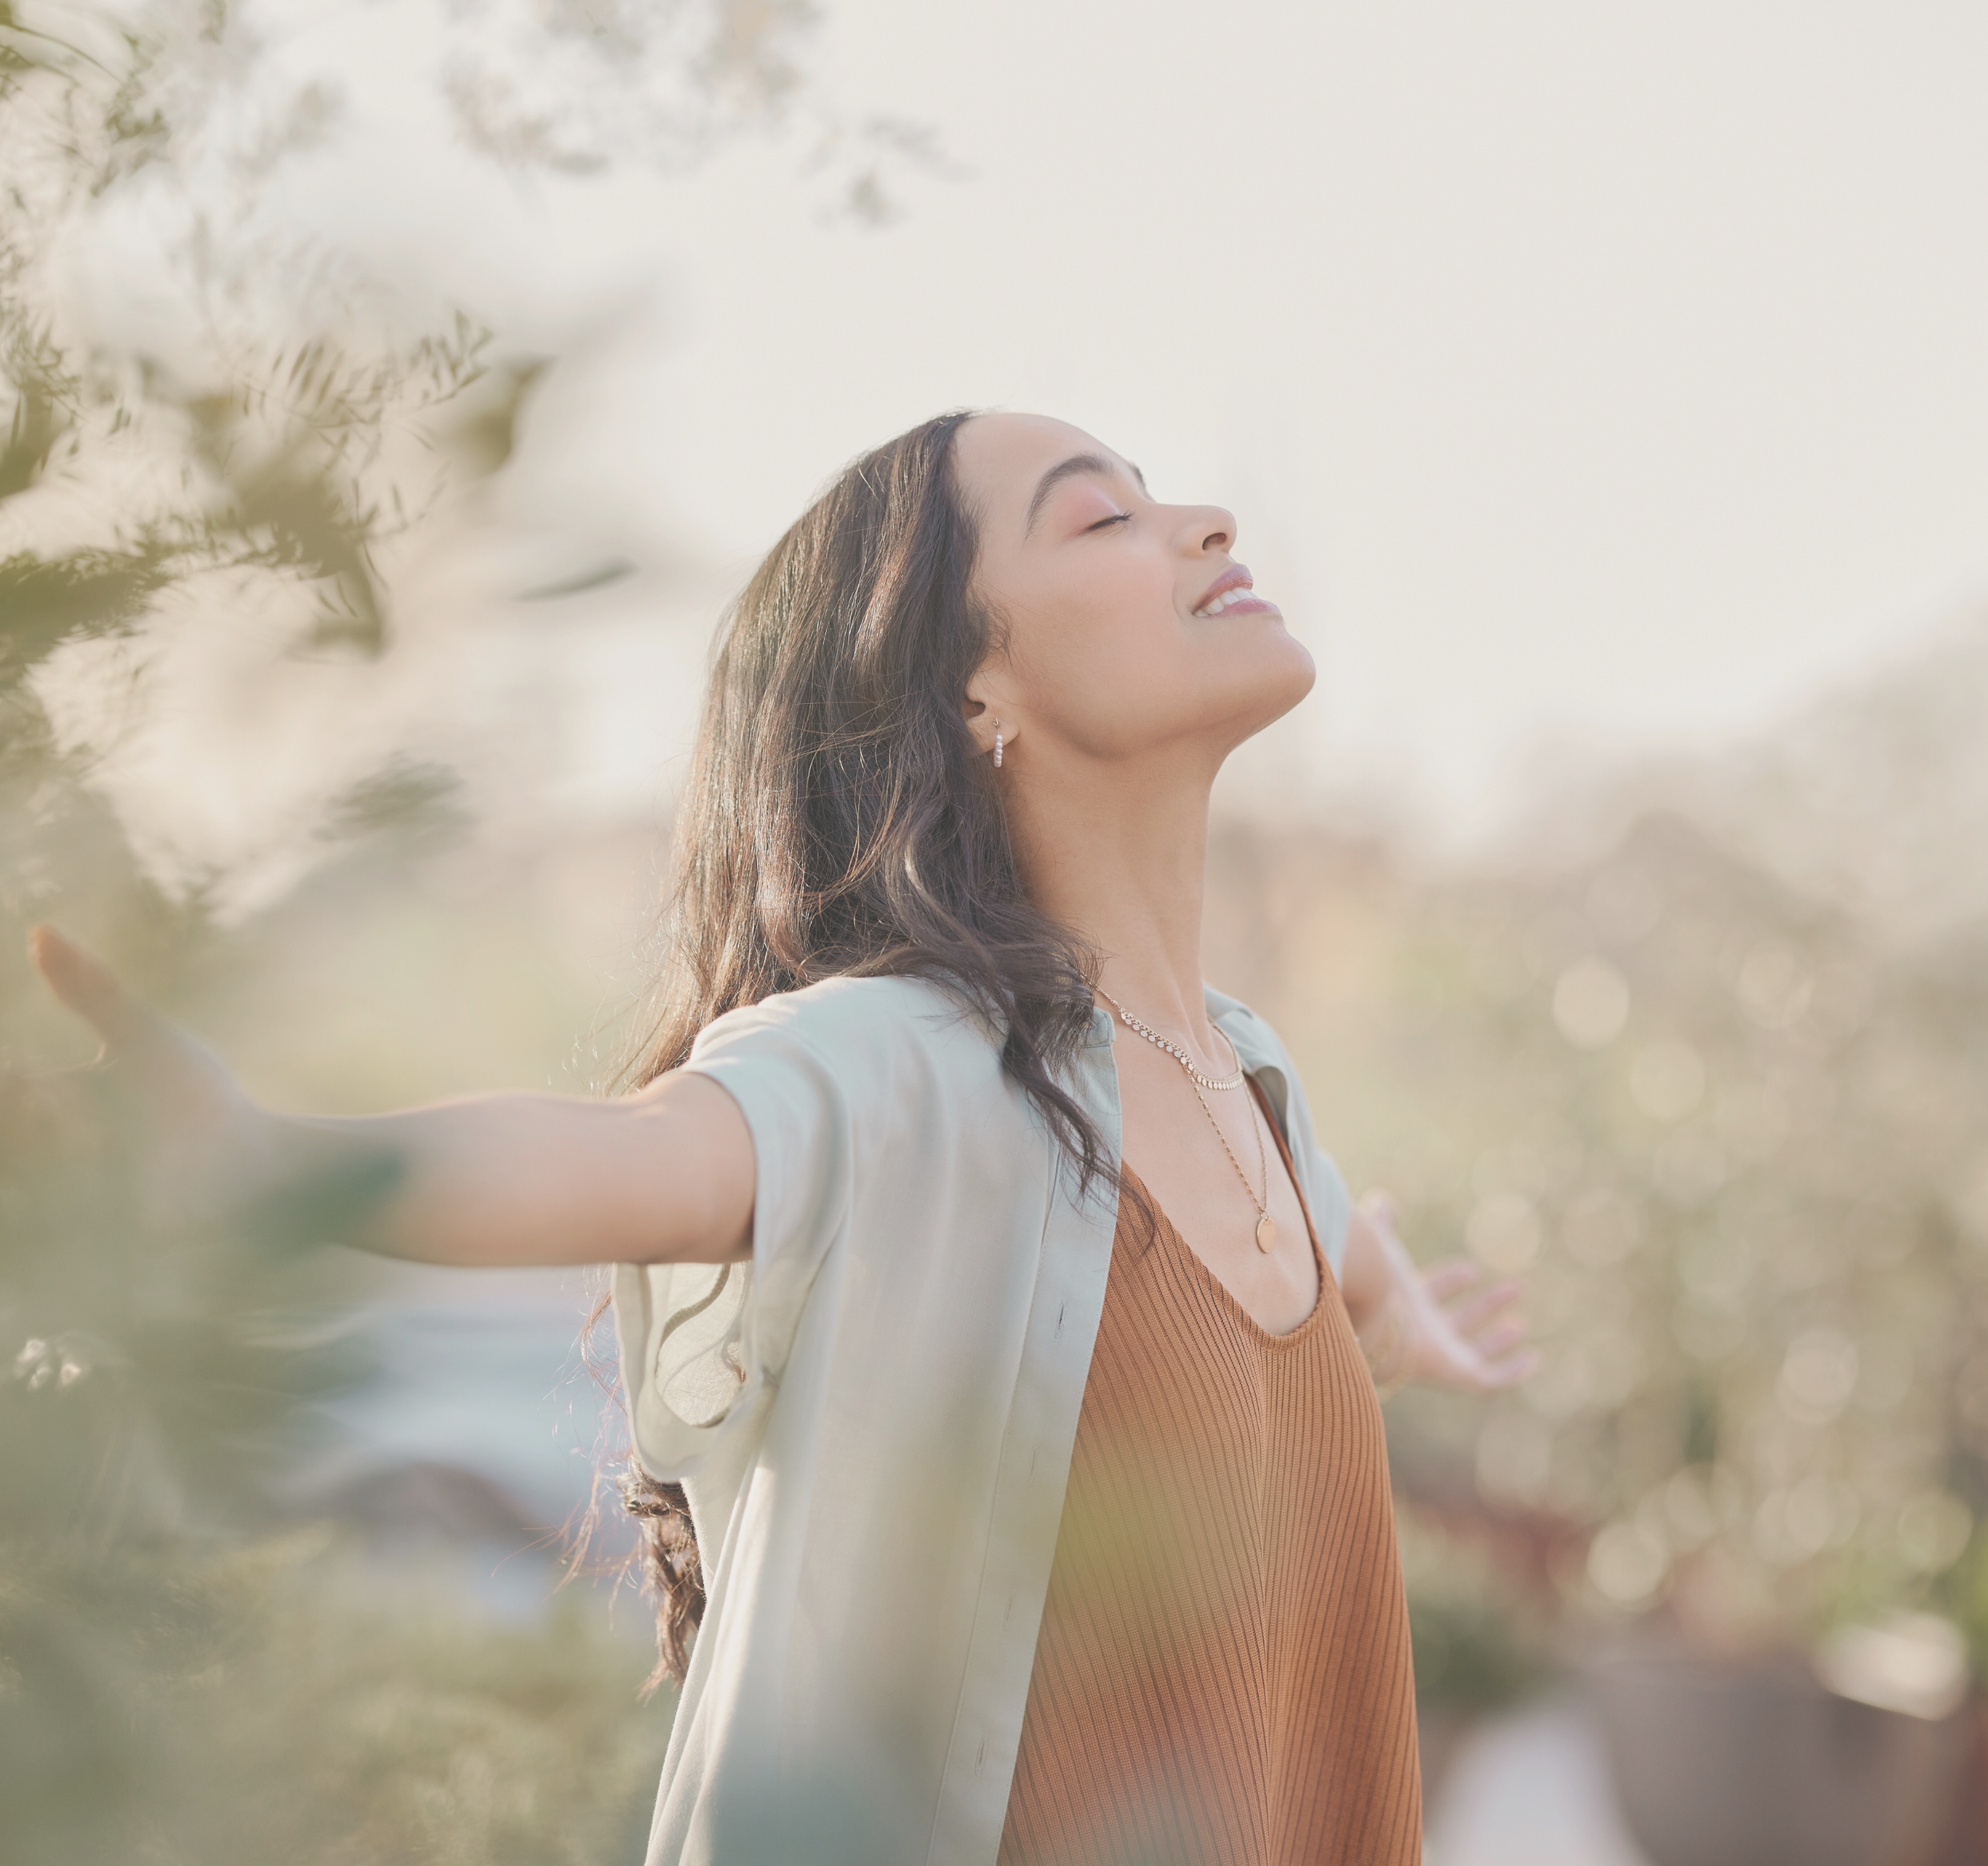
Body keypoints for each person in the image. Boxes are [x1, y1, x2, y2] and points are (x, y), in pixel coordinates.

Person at [18, 410, 1533, 1866]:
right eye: (1102, 516)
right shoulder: (907, 1062)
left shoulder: (1250, 1081)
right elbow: (637, 1159)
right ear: (974, 692)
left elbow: (1300, 1259)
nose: (1205, 523)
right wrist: (267, 1166)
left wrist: (1383, 1305)